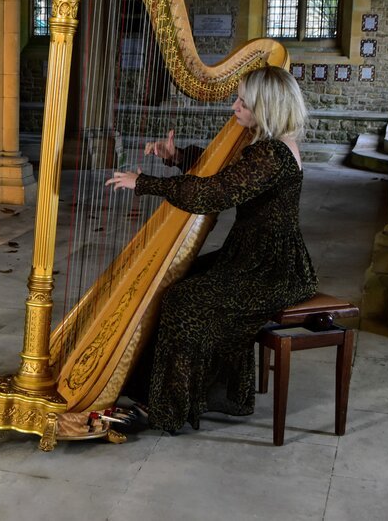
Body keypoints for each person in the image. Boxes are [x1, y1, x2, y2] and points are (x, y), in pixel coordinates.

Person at [105, 65, 317, 433]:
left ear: (266, 107)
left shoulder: (273, 155)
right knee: (176, 281)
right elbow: (227, 174)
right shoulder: (264, 147)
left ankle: (165, 407)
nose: (235, 107)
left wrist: (145, 182)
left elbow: (211, 194)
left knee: (184, 301)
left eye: (243, 103)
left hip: (272, 269)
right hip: (249, 257)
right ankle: (152, 388)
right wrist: (177, 157)